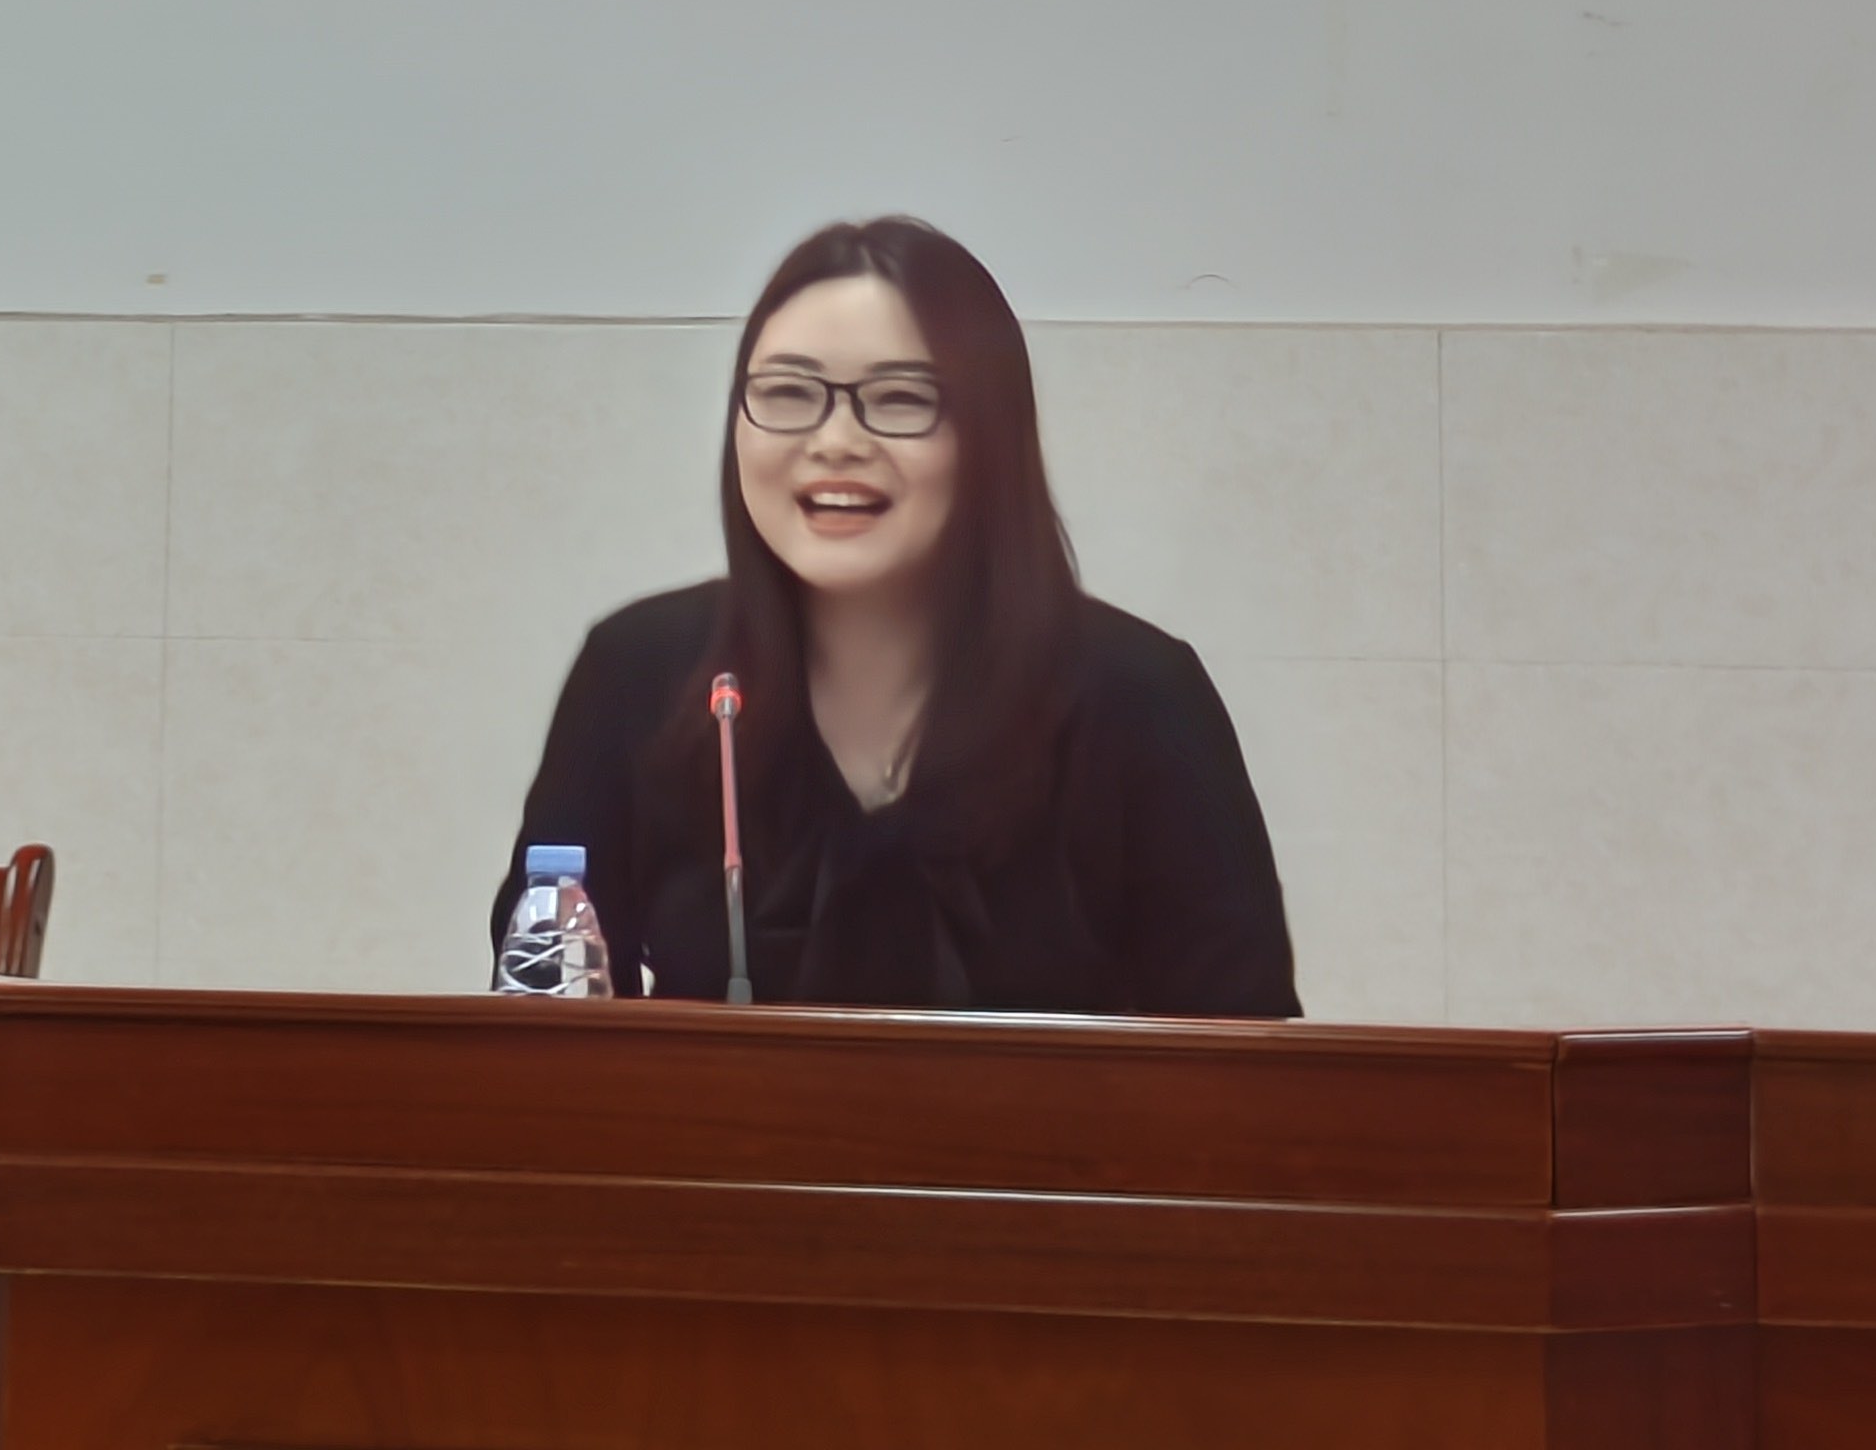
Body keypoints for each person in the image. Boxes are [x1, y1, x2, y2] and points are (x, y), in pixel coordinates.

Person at [496, 216, 1297, 1015]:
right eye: (788, 393)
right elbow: (543, 1027)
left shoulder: (1139, 694)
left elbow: (1245, 1053)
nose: (836, 441)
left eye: (901, 398)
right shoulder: (638, 671)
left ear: (991, 435)